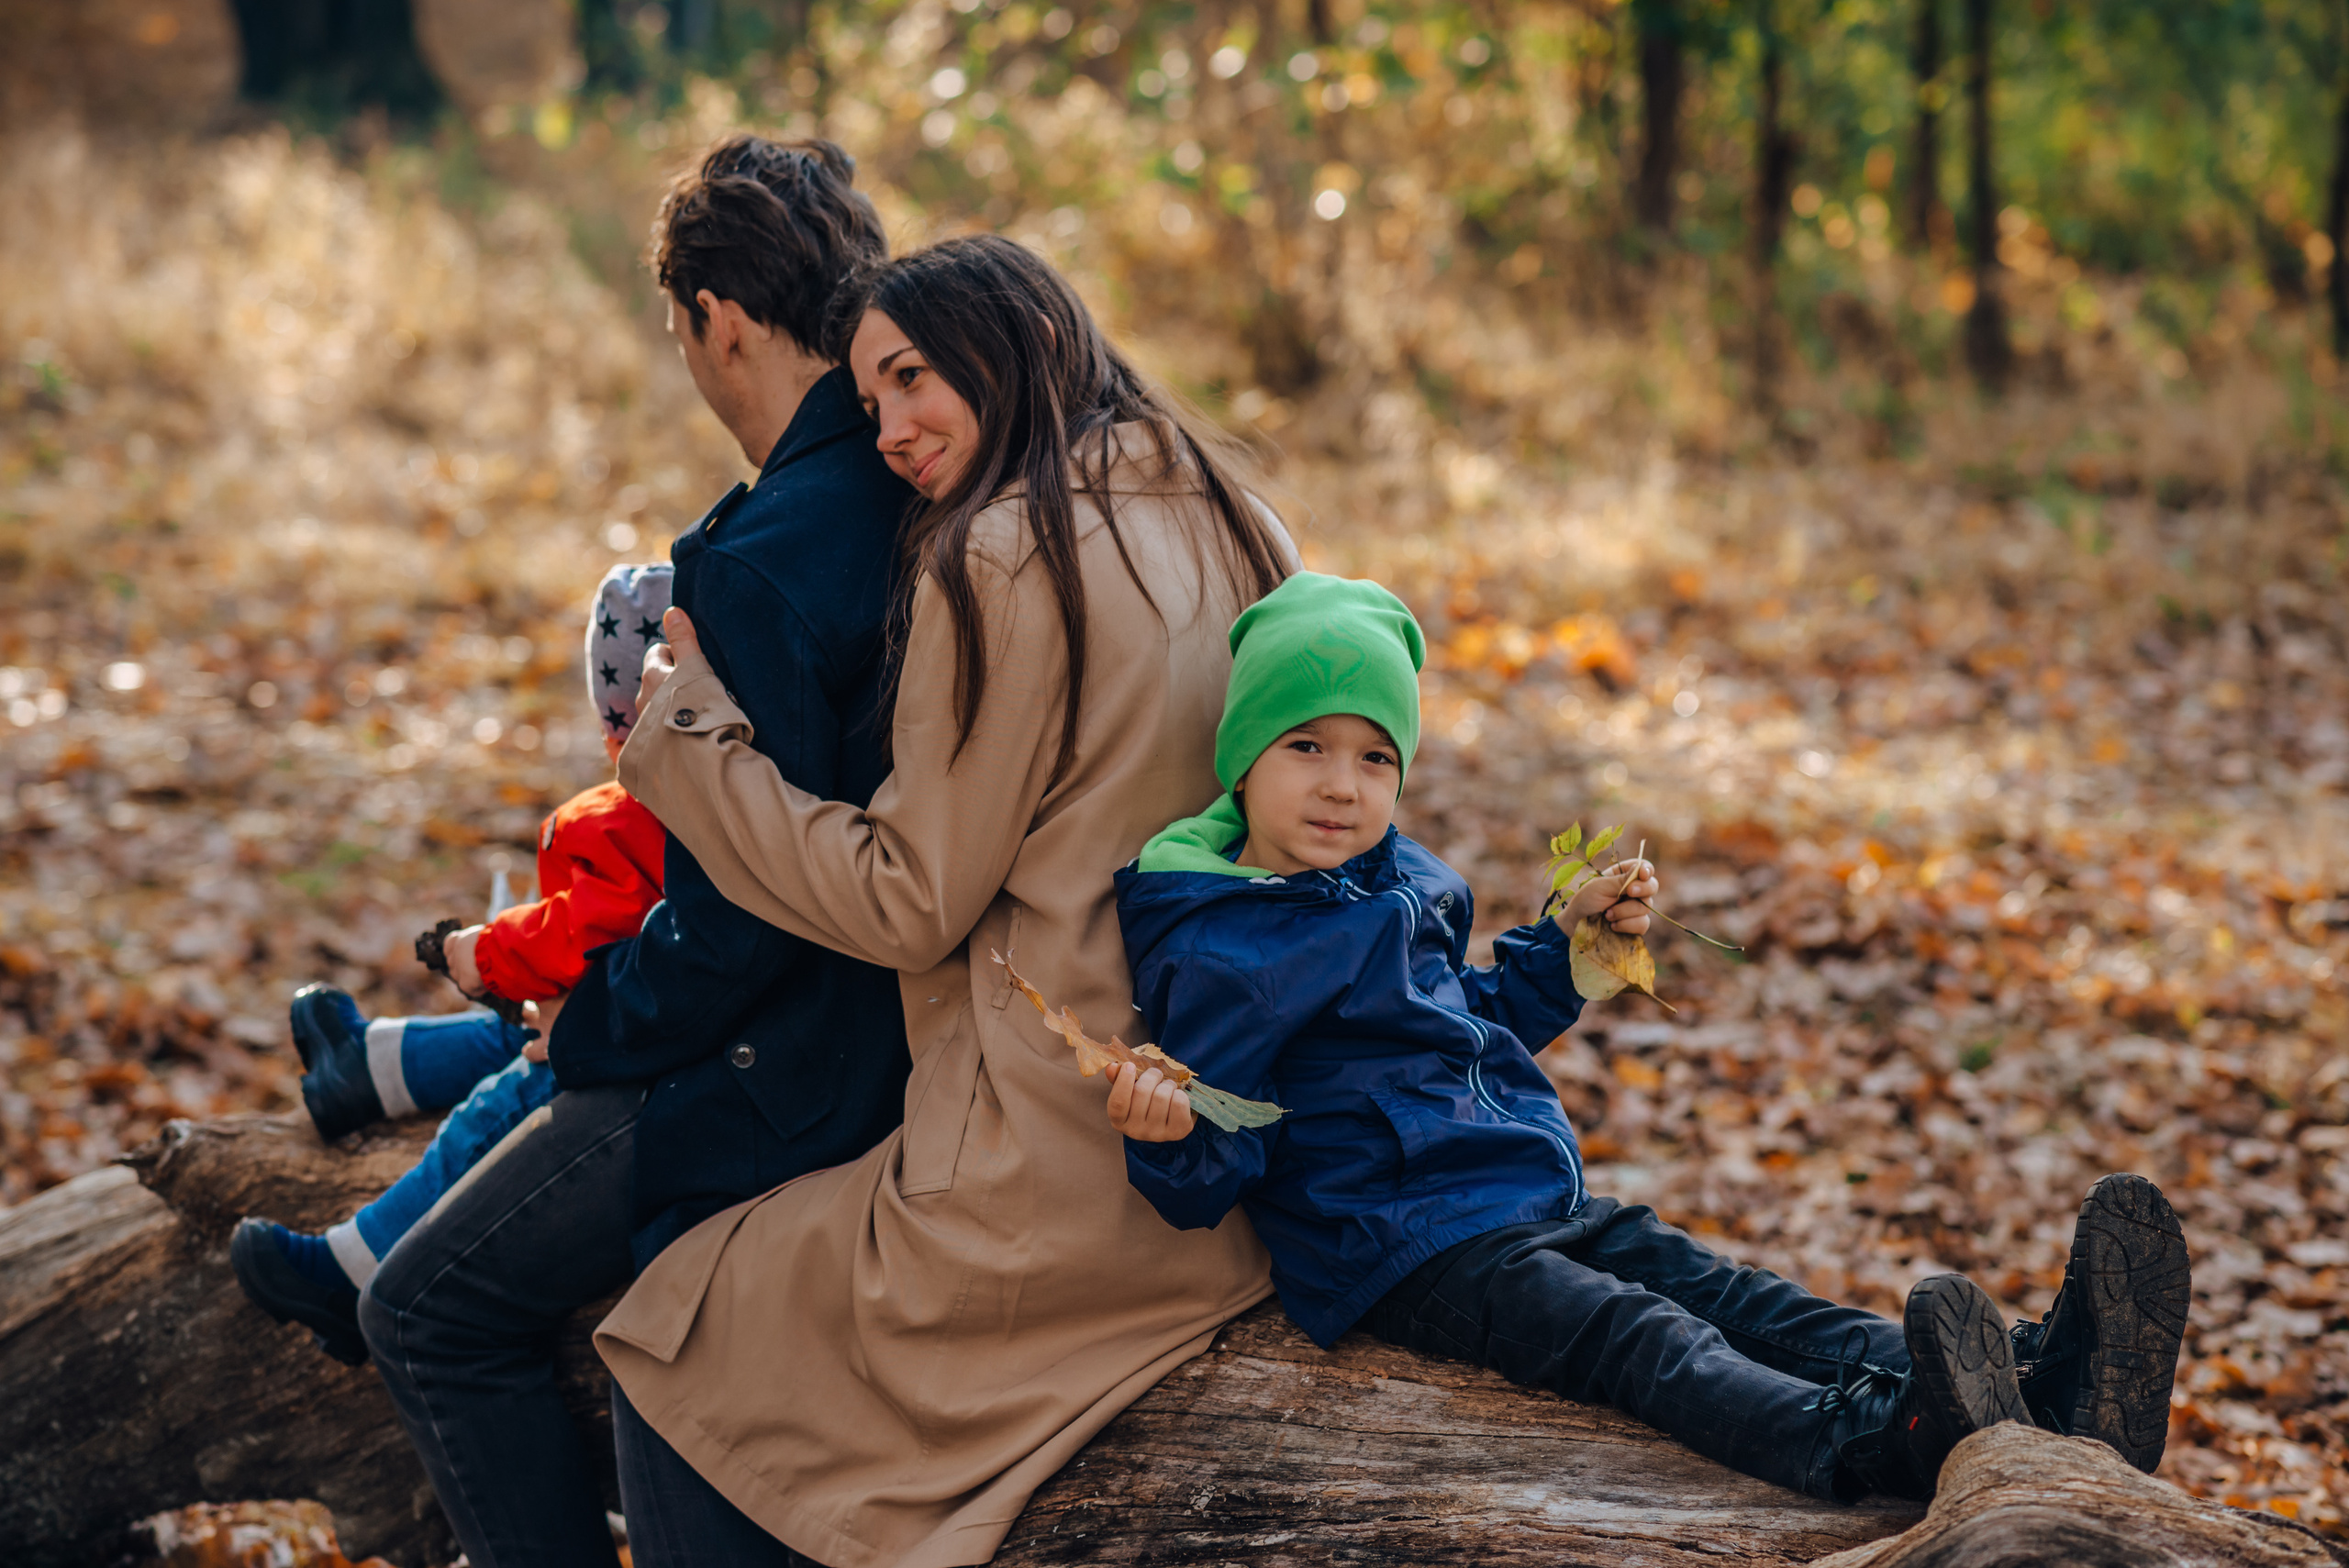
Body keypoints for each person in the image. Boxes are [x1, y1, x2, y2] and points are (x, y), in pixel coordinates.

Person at [1102, 570, 2194, 1500]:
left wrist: (1565, 948)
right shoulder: (1222, 939)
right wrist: (1164, 1131)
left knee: (1730, 1292)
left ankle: (2031, 1379)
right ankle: (1867, 1435)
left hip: (1520, 1185)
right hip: (1401, 1242)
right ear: (1244, 756)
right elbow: (1217, 1153)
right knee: (1641, 1338)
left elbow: (1473, 1024)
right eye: (1306, 745)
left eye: (1375, 757)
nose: (1343, 784)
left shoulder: (1399, 881)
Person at [600, 232, 1295, 1567]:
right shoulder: (1241, 517)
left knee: (668, 1329)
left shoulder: (1005, 555)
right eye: (868, 406)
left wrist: (688, 740)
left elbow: (910, 898)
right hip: (1231, 1159)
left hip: (1051, 1178)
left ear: (1018, 342)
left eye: (914, 379)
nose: (894, 432)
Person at [353, 136, 917, 1568]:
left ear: (715, 317)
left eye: (684, 333)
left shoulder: (768, 549)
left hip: (790, 1067)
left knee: (422, 1309)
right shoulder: (917, 474)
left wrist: (587, 1019)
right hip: (894, 1020)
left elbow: (744, 914)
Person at [229, 565, 671, 1364]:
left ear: (619, 723)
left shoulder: (637, 817)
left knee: (501, 1106)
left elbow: (583, 933)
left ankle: (352, 1266)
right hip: (651, 1026)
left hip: (638, 1061)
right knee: (526, 1034)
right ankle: (373, 1064)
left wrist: (488, 951)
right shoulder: (728, 795)